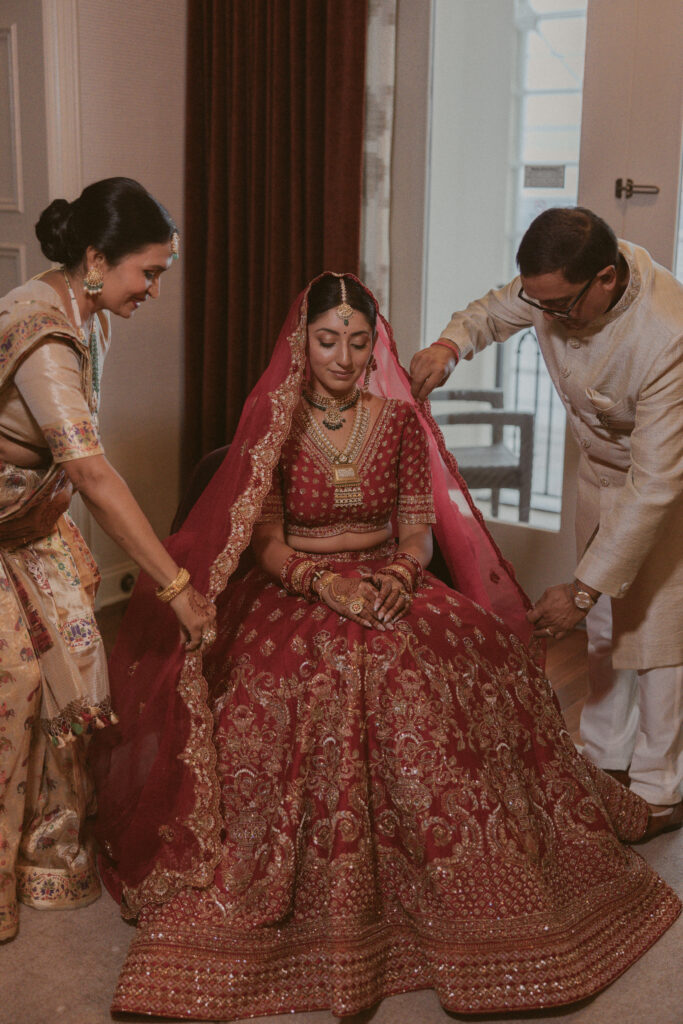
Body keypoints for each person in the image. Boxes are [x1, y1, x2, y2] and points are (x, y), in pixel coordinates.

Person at [92, 272, 679, 1020]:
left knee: (465, 652)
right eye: (327, 339)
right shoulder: (272, 421)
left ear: (378, 345)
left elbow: (415, 524)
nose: (341, 356)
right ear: (301, 343)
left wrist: (403, 571)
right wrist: (320, 583)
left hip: (387, 576)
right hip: (294, 585)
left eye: (357, 341)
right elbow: (265, 538)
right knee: (306, 678)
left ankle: (476, 879)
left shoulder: (397, 421)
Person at [411, 207, 683, 840]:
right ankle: (603, 758)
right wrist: (452, 345)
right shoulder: (553, 288)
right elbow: (492, 313)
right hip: (600, 475)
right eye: (540, 303)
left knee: (660, 635)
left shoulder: (668, 335)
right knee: (606, 624)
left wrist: (582, 587)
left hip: (667, 484)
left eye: (560, 306)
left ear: (607, 281)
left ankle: (661, 790)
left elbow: (655, 484)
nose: (547, 317)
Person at [0, 177, 215, 942]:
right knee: (17, 680)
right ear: (96, 259)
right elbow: (91, 472)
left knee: (79, 665)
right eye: (147, 272)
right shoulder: (44, 327)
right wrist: (176, 585)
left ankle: (48, 855)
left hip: (28, 522)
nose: (154, 289)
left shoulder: (87, 314)